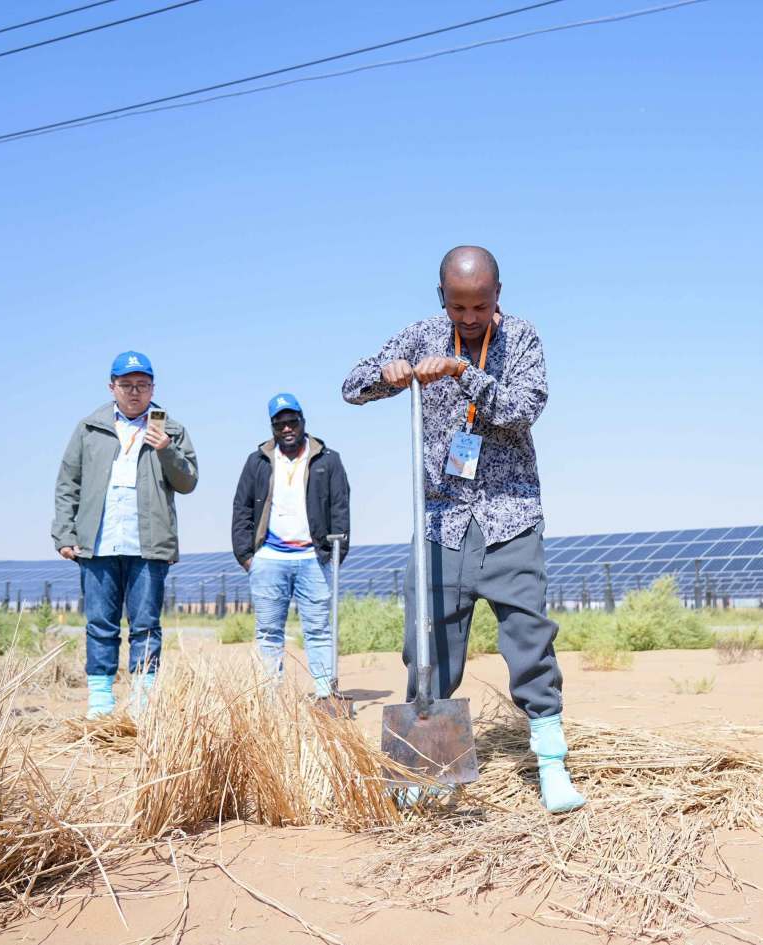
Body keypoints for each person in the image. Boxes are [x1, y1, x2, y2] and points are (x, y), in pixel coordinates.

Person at [342, 245, 584, 814]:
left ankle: (551, 764)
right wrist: (389, 375)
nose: (470, 318)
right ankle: (420, 767)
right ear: (441, 299)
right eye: (458, 307)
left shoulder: (521, 339)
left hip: (509, 517)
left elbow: (522, 408)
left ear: (498, 296)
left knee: (529, 641)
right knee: (427, 646)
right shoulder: (421, 333)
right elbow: (351, 386)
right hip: (441, 520)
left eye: (480, 306)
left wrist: (462, 372)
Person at [52, 351, 198, 718]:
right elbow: (68, 483)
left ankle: (143, 702)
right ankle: (100, 702)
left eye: (143, 385)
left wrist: (166, 449)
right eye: (127, 385)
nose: (135, 392)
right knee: (100, 624)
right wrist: (65, 532)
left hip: (149, 545)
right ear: (111, 387)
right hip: (97, 543)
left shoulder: (172, 430)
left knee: (146, 624)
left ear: (153, 388)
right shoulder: (89, 428)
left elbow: (187, 481)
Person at [231, 394, 351, 708]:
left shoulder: (328, 460)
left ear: (302, 421)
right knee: (269, 631)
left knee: (319, 629)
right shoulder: (257, 461)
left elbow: (340, 506)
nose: (286, 428)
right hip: (269, 559)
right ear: (272, 427)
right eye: (279, 423)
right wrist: (247, 556)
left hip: (313, 558)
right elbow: (241, 508)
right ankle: (270, 698)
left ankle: (326, 694)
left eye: (291, 421)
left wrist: (335, 553)